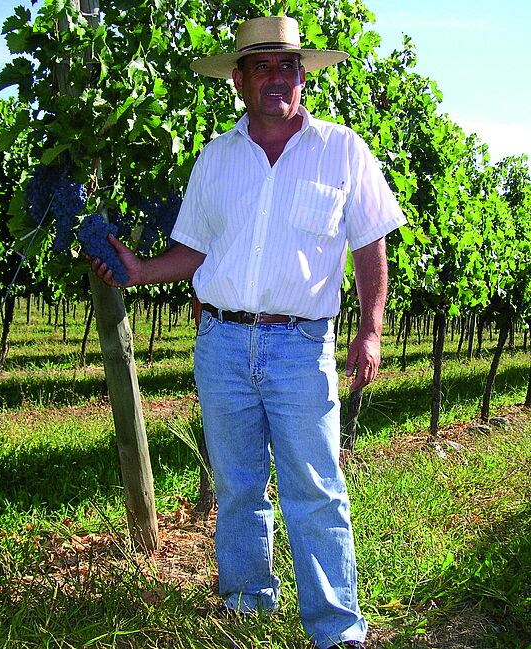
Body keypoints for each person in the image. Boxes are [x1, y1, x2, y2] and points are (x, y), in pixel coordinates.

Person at [91, 15, 406, 649]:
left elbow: (371, 244)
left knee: (315, 491)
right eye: (262, 66)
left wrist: (370, 328)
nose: (277, 78)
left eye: (287, 66)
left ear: (303, 78)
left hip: (300, 346)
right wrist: (140, 271)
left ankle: (336, 629)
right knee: (237, 487)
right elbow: (195, 252)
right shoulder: (216, 157)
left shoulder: (342, 149)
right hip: (223, 345)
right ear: (239, 80)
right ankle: (246, 606)